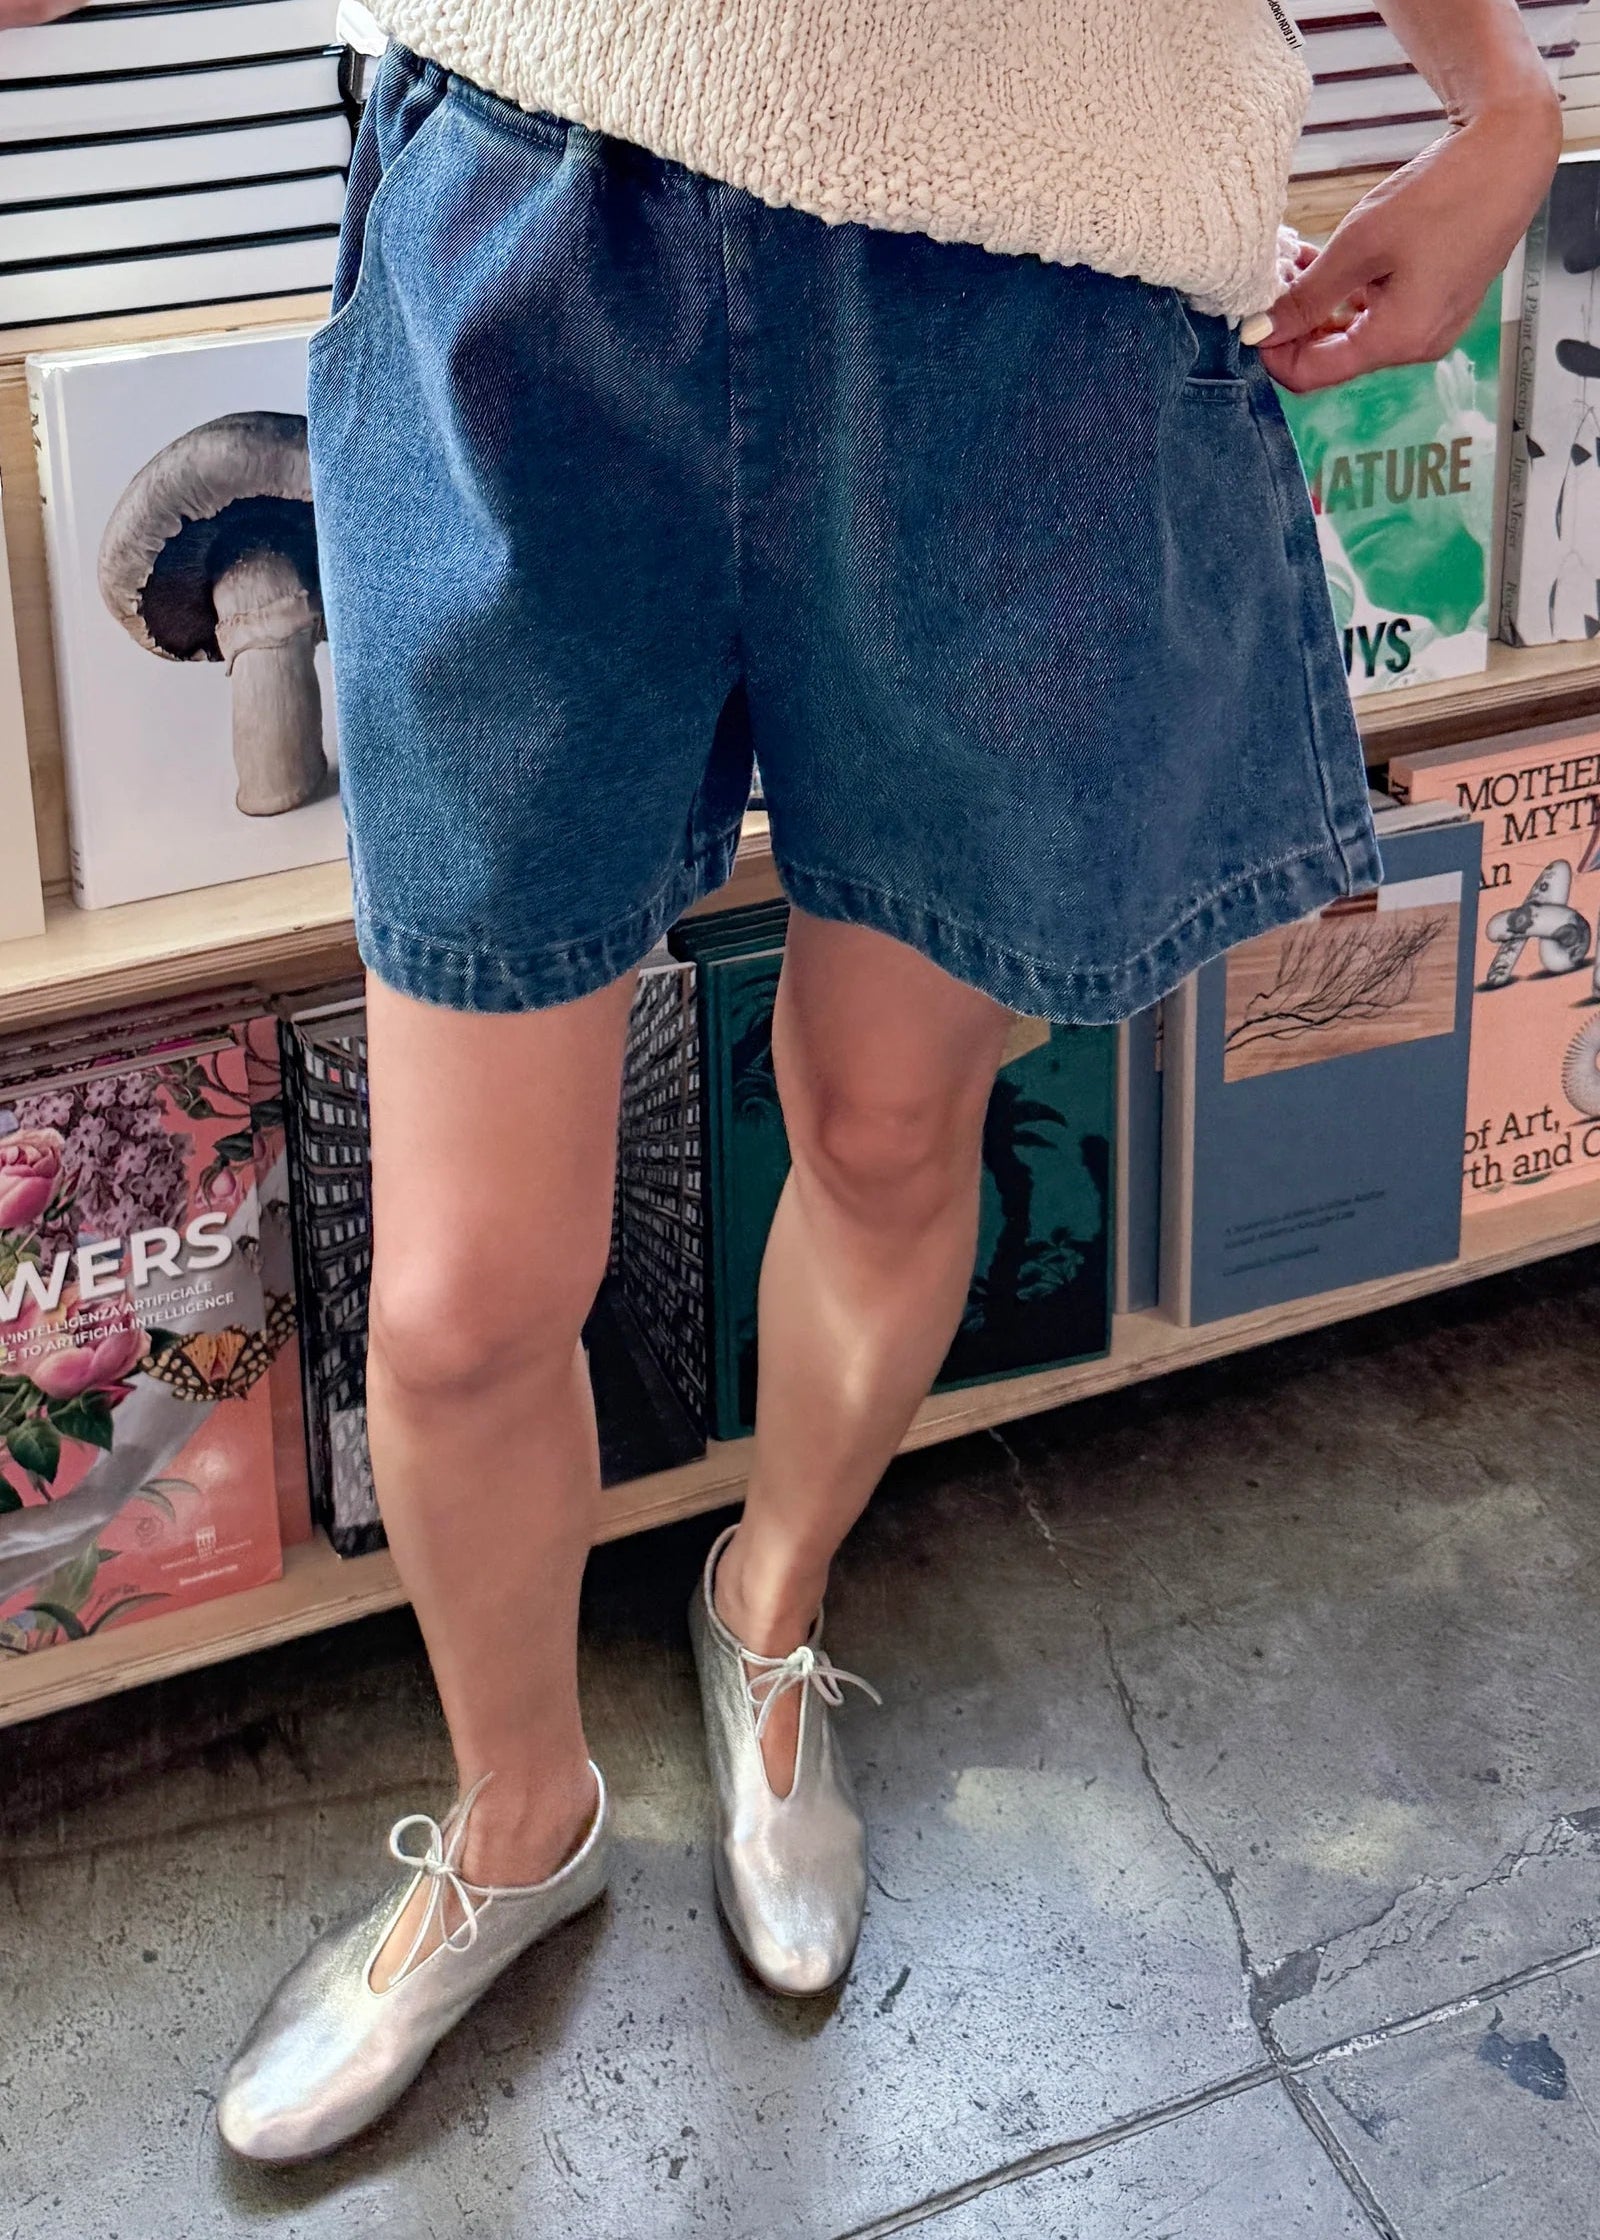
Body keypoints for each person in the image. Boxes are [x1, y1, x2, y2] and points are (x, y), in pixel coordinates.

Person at [98, 0, 1554, 2162]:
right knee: (459, 1288)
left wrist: (1498, 98)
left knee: (884, 1122)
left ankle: (765, 1607)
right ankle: (517, 1817)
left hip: (1031, 274)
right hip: (539, 206)